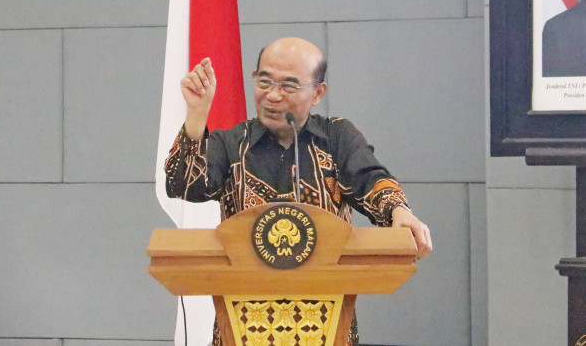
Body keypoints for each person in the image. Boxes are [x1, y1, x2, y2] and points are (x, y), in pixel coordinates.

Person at [165, 37, 432, 346]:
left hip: (324, 319)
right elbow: (183, 185)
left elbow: (369, 179)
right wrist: (197, 115)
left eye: (289, 86)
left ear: (318, 92)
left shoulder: (336, 138)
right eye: (264, 82)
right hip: (243, 319)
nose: (273, 96)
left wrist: (399, 211)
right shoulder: (231, 143)